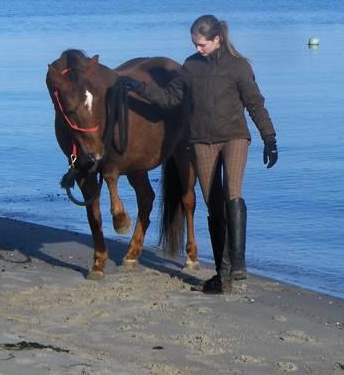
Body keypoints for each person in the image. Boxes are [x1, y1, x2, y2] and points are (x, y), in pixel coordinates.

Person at [117, 15, 277, 293]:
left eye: (202, 44)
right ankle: (221, 273)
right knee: (213, 204)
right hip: (201, 140)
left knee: (233, 195)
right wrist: (139, 88)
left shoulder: (238, 67)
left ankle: (237, 264)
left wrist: (269, 138)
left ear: (217, 40)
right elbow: (170, 98)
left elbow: (254, 103)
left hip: (234, 138)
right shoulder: (190, 66)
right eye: (195, 44)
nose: (198, 48)